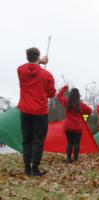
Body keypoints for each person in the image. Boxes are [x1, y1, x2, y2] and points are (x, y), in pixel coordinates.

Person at [17, 47, 56, 176]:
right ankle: (35, 168)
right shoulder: (47, 75)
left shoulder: (21, 70)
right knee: (38, 140)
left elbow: (28, 67)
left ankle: (27, 168)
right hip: (40, 112)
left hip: (25, 110)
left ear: (27, 57)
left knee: (26, 139)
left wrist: (38, 62)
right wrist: (40, 64)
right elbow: (51, 94)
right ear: (38, 57)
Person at [57, 85, 92, 163]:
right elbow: (90, 111)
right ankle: (75, 159)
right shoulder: (81, 105)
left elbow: (59, 96)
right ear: (78, 96)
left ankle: (68, 158)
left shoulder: (66, 103)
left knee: (69, 143)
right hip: (77, 127)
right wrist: (83, 113)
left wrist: (64, 88)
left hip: (68, 127)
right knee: (76, 143)